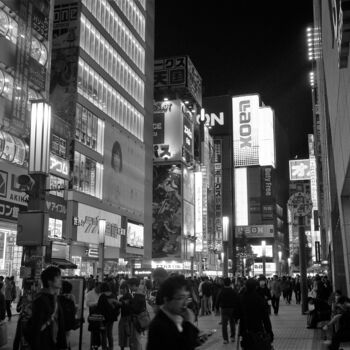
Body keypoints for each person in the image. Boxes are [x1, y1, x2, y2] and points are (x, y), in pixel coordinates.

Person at [147, 275, 200, 350]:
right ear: (166, 300)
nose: (185, 303)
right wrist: (189, 324)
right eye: (180, 298)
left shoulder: (178, 318)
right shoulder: (159, 326)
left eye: (187, 297)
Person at [30, 266, 67, 349]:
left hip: (55, 344)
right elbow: (36, 329)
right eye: (58, 277)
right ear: (49, 281)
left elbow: (60, 323)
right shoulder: (40, 301)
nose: (61, 279)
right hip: (44, 345)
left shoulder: (55, 298)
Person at [240, 278, 274, 350]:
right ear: (256, 287)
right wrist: (269, 332)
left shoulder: (242, 298)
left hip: (245, 331)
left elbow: (236, 314)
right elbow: (265, 318)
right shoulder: (259, 299)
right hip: (258, 330)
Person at [215, 277, 239, 344]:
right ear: (230, 283)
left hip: (224, 309)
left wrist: (216, 308)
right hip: (232, 309)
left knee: (224, 325)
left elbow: (217, 299)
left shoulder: (221, 291)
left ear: (224, 283)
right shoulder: (233, 291)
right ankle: (232, 337)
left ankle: (225, 339)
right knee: (232, 323)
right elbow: (237, 300)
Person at [97, 282, 120, 350]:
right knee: (109, 333)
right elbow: (117, 306)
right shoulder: (113, 295)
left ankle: (104, 348)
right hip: (112, 317)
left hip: (104, 318)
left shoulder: (102, 296)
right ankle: (111, 347)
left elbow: (99, 308)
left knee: (104, 334)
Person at [128, 278, 147, 350]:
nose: (129, 288)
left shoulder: (138, 295)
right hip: (141, 319)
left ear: (133, 285)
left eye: (129, 286)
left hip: (137, 320)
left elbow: (136, 309)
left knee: (136, 339)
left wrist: (129, 304)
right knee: (138, 338)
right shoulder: (141, 293)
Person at [58, 280, 77, 350]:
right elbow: (74, 308)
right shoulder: (72, 297)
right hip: (69, 320)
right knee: (67, 335)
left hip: (61, 320)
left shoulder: (58, 297)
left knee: (60, 335)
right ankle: (67, 346)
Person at [118, 283, 133, 350]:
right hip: (125, 318)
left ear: (125, 289)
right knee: (127, 336)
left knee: (125, 335)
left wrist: (117, 302)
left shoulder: (129, 297)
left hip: (127, 318)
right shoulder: (123, 298)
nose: (120, 291)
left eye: (121, 289)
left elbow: (125, 303)